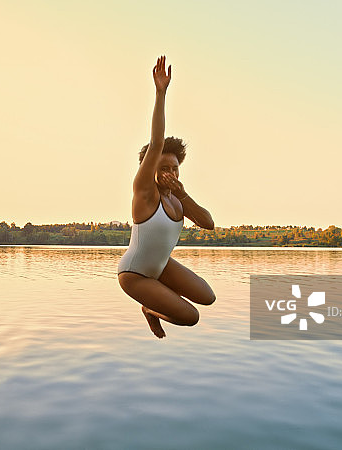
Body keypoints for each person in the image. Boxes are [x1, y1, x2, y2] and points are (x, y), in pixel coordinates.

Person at [117, 55, 217, 338]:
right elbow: (158, 141)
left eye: (175, 168)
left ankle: (157, 293)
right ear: (150, 169)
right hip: (134, 275)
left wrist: (185, 197)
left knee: (208, 297)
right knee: (190, 316)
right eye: (163, 168)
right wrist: (161, 93)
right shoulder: (144, 192)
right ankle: (150, 309)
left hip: (160, 267)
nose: (170, 173)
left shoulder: (177, 199)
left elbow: (208, 223)